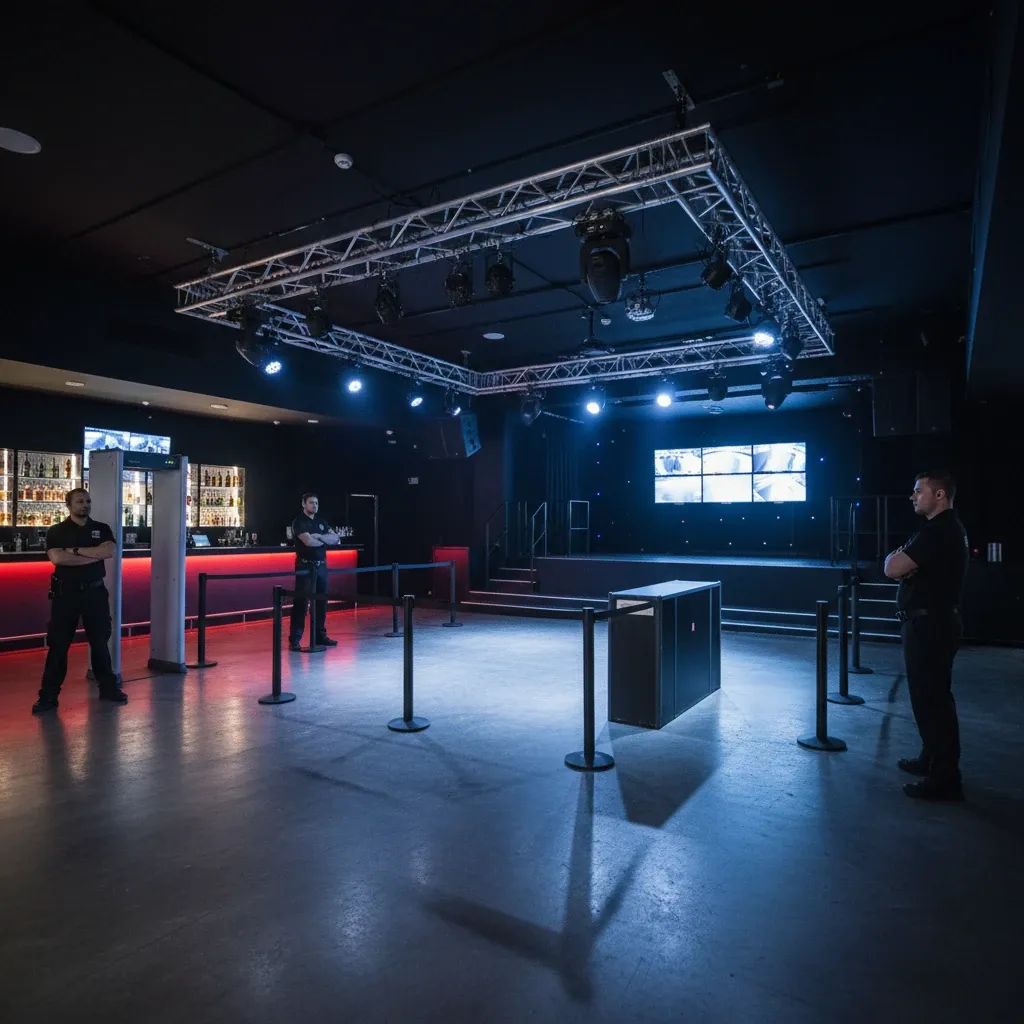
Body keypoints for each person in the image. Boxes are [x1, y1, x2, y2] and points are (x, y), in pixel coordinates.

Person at [883, 470, 969, 801]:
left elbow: (892, 567)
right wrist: (902, 561)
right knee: (928, 698)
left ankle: (945, 778)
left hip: (930, 627)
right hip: (931, 625)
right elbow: (902, 565)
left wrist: (896, 559)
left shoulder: (938, 531)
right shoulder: (945, 530)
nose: (912, 496)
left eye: (919, 491)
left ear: (940, 496)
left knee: (932, 700)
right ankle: (931, 759)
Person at [32, 488, 127, 713]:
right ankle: (48, 697)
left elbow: (109, 551)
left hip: (95, 593)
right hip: (66, 594)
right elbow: (57, 558)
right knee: (59, 645)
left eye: (88, 501)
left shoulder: (101, 528)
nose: (85, 505)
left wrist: (73, 552)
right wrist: (91, 554)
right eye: (79, 501)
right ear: (69, 505)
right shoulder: (56, 530)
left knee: (100, 643)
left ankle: (108, 689)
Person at [289, 493, 341, 651]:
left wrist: (319, 536)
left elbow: (336, 539)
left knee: (321, 602)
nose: (314, 506)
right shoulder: (299, 522)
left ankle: (320, 635)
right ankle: (295, 639)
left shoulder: (321, 522)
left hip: (321, 567)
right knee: (301, 603)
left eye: (317, 503)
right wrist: (324, 539)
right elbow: (308, 541)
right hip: (305, 567)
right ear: (303, 504)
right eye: (311, 503)